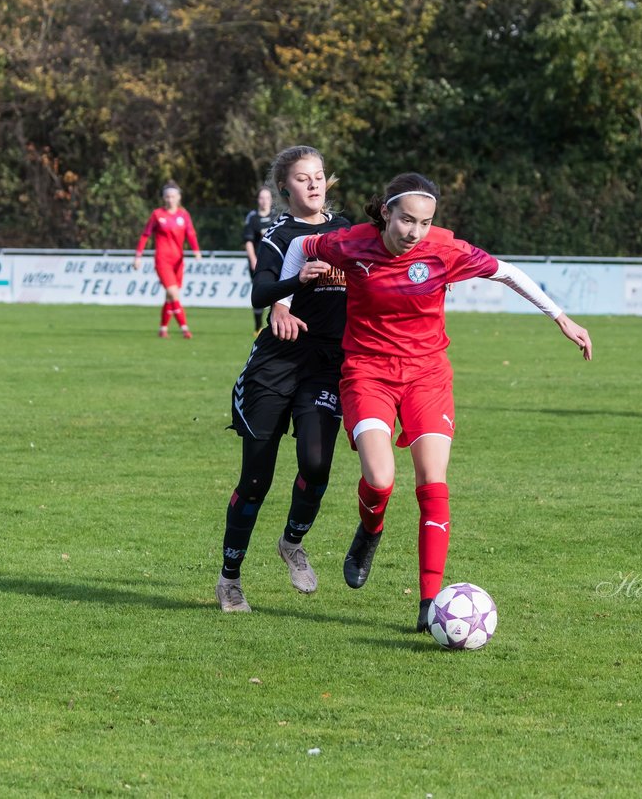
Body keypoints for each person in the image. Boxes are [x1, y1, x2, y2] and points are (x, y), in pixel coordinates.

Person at [273, 172, 592, 633]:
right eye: (406, 221)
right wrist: (282, 302)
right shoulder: (351, 244)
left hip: (427, 376)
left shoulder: (446, 249)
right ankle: (371, 530)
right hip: (367, 373)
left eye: (424, 223)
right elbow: (301, 248)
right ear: (386, 212)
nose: (414, 232)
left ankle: (428, 604)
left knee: (432, 482)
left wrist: (560, 317)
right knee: (380, 481)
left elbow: (508, 273)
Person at [215, 146, 351, 613]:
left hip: (325, 367)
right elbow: (261, 289)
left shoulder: (349, 234)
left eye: (318, 176)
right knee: (256, 478)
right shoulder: (280, 235)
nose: (313, 184)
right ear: (285, 188)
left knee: (316, 465)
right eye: (301, 178)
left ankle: (292, 542)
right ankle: (229, 579)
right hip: (275, 365)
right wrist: (292, 288)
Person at [133, 181, 202, 339]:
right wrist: (138, 256)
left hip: (178, 261)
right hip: (162, 260)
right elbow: (145, 235)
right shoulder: (157, 214)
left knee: (170, 297)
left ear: (179, 197)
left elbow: (191, 234)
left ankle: (163, 328)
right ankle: (185, 328)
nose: (170, 199)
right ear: (164, 198)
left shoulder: (184, 215)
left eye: (173, 196)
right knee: (173, 293)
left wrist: (196, 250)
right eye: (167, 197)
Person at [242, 186, 277, 333]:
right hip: (258, 262)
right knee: (259, 293)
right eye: (261, 198)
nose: (264, 201)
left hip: (275, 262)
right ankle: (257, 327)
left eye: (267, 198)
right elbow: (248, 241)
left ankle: (274, 324)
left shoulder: (277, 217)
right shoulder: (253, 218)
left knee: (277, 293)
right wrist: (253, 259)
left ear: (271, 200)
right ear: (258, 200)